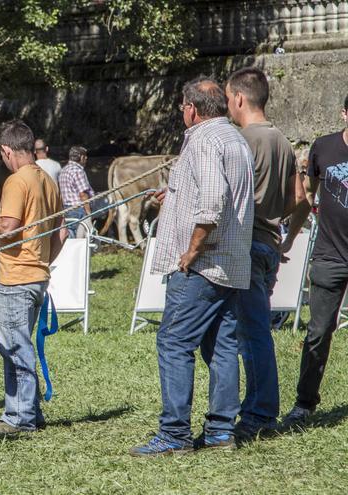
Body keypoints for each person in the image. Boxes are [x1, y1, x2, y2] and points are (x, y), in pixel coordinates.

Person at [130, 77, 254, 456]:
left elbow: (214, 201)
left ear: (191, 108)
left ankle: (174, 434)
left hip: (203, 264)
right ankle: (219, 432)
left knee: (173, 342)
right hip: (230, 262)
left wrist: (191, 251)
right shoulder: (234, 138)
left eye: (182, 106)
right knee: (221, 346)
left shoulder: (202, 140)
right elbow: (219, 189)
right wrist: (177, 191)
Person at [0, 120, 64, 434]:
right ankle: (28, 411)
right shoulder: (47, 179)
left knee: (15, 348)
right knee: (20, 345)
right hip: (36, 277)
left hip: (16, 279)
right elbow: (63, 232)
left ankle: (19, 417)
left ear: (7, 151)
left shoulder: (17, 181)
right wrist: (42, 262)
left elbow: (8, 227)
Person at [225, 67, 305, 439]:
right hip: (270, 245)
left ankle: (259, 416)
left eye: (228, 99)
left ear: (239, 99)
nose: (228, 106)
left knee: (250, 334)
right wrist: (285, 236)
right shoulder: (283, 140)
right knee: (251, 330)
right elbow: (302, 199)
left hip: (245, 246)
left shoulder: (242, 140)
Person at [279, 94, 348, 429]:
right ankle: (304, 404)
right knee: (319, 332)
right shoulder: (324, 147)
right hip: (329, 255)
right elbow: (307, 197)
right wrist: (291, 237)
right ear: (343, 113)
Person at [58, 146, 94, 238]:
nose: (86, 160)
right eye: (85, 157)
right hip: (78, 210)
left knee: (70, 236)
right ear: (81, 157)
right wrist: (89, 214)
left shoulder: (63, 170)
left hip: (67, 209)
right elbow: (83, 194)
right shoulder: (78, 171)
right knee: (81, 239)